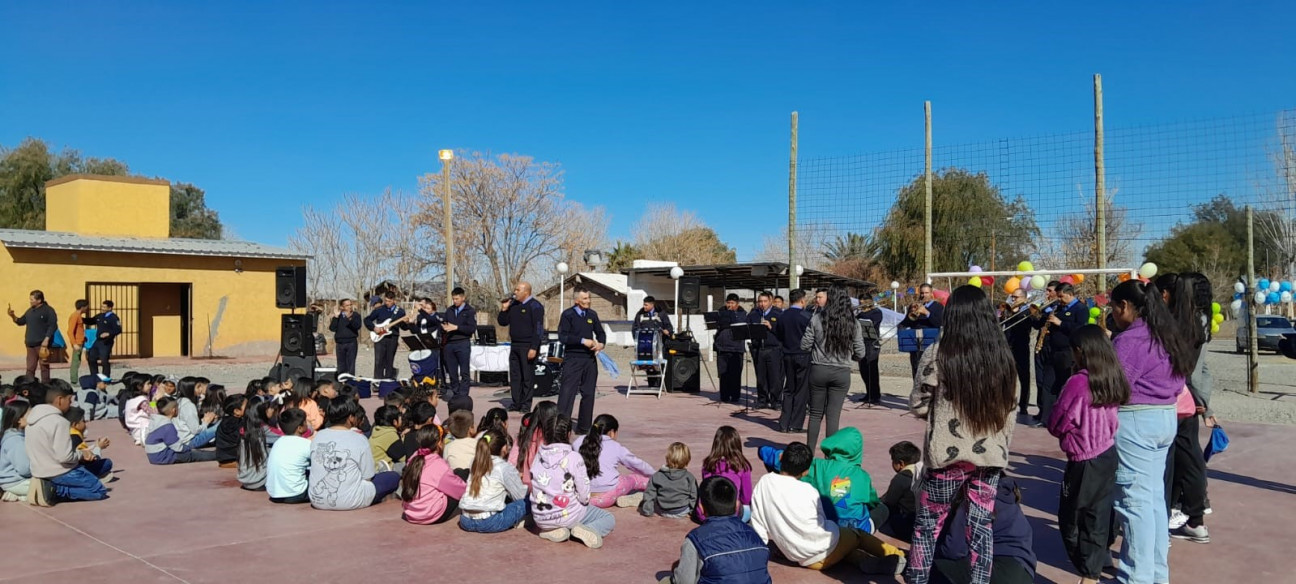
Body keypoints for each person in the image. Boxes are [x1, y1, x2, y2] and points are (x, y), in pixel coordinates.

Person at [907, 285, 1018, 584]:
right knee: (981, 526)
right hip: (990, 455)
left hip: (947, 455)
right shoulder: (1003, 356)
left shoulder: (938, 353)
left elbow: (918, 403)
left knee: (928, 524)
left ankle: (917, 578)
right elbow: (1013, 406)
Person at [1108, 279, 1195, 584]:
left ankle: (1136, 577)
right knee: (1154, 500)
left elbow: (1115, 386)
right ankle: (1156, 574)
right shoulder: (1167, 335)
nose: (1113, 314)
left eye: (1113, 307)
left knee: (1134, 503)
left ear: (1125, 306)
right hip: (1164, 417)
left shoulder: (1130, 340)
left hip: (1135, 421)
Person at [751, 443, 905, 576]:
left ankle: (865, 561)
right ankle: (899, 556)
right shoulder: (807, 490)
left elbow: (757, 522)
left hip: (798, 556)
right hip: (822, 549)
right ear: (805, 472)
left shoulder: (763, 483)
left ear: (781, 458)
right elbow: (822, 522)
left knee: (843, 548)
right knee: (858, 535)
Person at [1048, 324, 1125, 584]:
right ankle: (1098, 559)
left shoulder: (1079, 382)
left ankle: (1087, 569)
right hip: (1108, 452)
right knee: (1099, 513)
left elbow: (1058, 421)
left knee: (1072, 517)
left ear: (1079, 351)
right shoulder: (1111, 375)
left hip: (1083, 458)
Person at [1157, 272, 1215, 544]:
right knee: (1188, 456)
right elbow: (1201, 368)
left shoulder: (1177, 322)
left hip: (1175, 396)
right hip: (1189, 397)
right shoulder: (1201, 320)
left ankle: (1173, 515)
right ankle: (1194, 517)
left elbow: (1187, 368)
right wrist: (1204, 400)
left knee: (1171, 459)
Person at [661, 476, 772, 584]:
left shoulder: (695, 539)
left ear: (701, 507)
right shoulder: (754, 536)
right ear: (737, 505)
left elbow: (684, 581)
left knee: (665, 581)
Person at [930, 476, 1036, 584]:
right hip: (1024, 572)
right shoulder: (1007, 496)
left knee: (929, 567)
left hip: (999, 571)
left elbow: (953, 550)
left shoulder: (974, 497)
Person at [530, 414, 615, 548]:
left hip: (541, 519)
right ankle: (584, 529)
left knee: (562, 512)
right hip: (569, 516)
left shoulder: (538, 457)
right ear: (569, 434)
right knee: (608, 518)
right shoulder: (574, 457)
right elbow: (584, 494)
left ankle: (552, 530)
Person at [802, 286, 867, 452]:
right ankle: (830, 456)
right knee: (833, 416)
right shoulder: (853, 322)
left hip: (819, 369)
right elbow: (860, 351)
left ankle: (808, 453)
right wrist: (850, 358)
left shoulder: (817, 318)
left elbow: (804, 345)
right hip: (841, 372)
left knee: (815, 414)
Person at [310, 396, 401, 510]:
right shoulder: (359, 439)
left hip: (317, 500)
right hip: (350, 501)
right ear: (351, 418)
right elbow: (367, 477)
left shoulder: (318, 436)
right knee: (393, 477)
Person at [26, 384, 112, 505]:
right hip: (59, 472)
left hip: (39, 470)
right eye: (69, 400)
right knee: (99, 490)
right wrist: (82, 454)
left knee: (104, 465)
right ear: (60, 400)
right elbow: (65, 457)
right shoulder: (59, 422)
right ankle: (54, 490)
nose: (70, 403)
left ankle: (47, 485)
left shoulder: (31, 419)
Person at [573, 414, 655, 508]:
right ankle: (656, 486)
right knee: (635, 479)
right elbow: (637, 464)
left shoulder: (578, 441)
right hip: (607, 496)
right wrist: (655, 474)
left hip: (581, 497)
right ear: (612, 432)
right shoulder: (616, 447)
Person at [459, 428, 528, 533]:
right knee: (529, 501)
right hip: (489, 522)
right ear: (504, 448)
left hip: (465, 520)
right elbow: (520, 496)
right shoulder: (504, 467)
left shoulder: (475, 462)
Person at [557, 287, 606, 433]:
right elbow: (563, 337)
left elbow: (600, 333)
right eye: (585, 299)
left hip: (589, 360)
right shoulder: (568, 315)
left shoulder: (592, 314)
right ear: (577, 300)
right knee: (567, 393)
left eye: (589, 298)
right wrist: (582, 341)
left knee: (589, 393)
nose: (588, 301)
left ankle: (584, 427)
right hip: (573, 358)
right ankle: (561, 426)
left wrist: (601, 344)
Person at [1039, 283, 1088, 426]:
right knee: (1048, 384)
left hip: (1068, 352)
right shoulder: (1058, 308)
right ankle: (1046, 418)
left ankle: (1064, 418)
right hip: (1053, 351)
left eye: (1061, 296)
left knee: (1065, 385)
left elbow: (1079, 329)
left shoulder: (1081, 309)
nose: (1059, 299)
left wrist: (1060, 323)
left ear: (1070, 294)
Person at [400, 425, 468, 524]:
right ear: (439, 443)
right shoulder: (439, 465)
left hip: (411, 513)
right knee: (463, 474)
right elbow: (461, 491)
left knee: (455, 474)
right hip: (431, 515)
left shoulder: (413, 459)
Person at [497, 282, 545, 412]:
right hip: (515, 345)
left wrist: (534, 347)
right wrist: (504, 309)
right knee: (515, 375)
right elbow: (502, 322)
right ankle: (516, 402)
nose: (515, 292)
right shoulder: (514, 305)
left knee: (527, 376)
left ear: (526, 292)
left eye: (518, 290)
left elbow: (539, 329)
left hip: (528, 346)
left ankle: (525, 404)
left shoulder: (535, 306)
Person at [774, 289, 812, 433]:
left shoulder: (782, 316)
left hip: (787, 354)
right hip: (803, 355)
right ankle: (796, 424)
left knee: (789, 389)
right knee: (801, 391)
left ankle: (784, 423)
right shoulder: (806, 316)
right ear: (802, 300)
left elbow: (778, 334)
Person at [698, 426, 752, 522]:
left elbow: (706, 487)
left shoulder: (707, 464)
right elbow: (746, 497)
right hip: (731, 512)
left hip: (708, 513)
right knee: (749, 509)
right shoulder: (742, 465)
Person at [145, 396, 221, 465]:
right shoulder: (167, 426)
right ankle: (223, 455)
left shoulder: (155, 420)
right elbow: (178, 448)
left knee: (194, 452)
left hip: (153, 455)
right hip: (163, 456)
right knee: (195, 454)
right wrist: (188, 449)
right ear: (173, 410)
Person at [7, 290, 58, 382]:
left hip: (42, 344)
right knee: (30, 367)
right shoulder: (30, 311)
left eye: (32, 299)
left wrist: (46, 339)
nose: (30, 301)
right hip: (30, 344)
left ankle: (45, 386)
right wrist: (12, 316)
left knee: (44, 367)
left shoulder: (48, 310)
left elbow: (53, 325)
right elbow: (21, 321)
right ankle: (29, 385)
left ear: (39, 300)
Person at [1029, 281, 1061, 425]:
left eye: (1050, 291)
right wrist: (1034, 314)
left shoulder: (1060, 307)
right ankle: (1042, 410)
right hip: (1040, 345)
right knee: (1040, 379)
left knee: (1050, 382)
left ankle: (1051, 413)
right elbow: (1036, 325)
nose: (1047, 294)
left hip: (1052, 347)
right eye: (1046, 291)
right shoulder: (1045, 307)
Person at [640, 442, 697, 518]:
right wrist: (692, 512)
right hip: (682, 511)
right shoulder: (689, 477)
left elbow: (650, 494)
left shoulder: (657, 475)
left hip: (663, 511)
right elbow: (694, 496)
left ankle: (639, 500)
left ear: (667, 458)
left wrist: (648, 511)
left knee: (652, 498)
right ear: (687, 459)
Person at [266, 408, 311, 504]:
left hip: (274, 494)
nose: (308, 424)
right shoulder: (306, 444)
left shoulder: (278, 442)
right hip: (296, 494)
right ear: (299, 428)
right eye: (306, 422)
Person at [880, 441, 922, 542]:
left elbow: (889, 502)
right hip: (924, 523)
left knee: (881, 515)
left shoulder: (901, 478)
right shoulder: (923, 472)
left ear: (901, 463)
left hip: (908, 525)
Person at [748, 291, 783, 409]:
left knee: (775, 377)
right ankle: (762, 399)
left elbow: (783, 333)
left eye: (765, 301)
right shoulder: (753, 314)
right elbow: (747, 329)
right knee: (761, 376)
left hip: (774, 349)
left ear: (770, 301)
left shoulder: (778, 314)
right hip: (759, 349)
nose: (762, 304)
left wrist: (770, 327)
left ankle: (776, 401)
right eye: (760, 301)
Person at [441, 287, 478, 398]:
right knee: (452, 372)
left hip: (463, 343)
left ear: (463, 298)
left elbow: (471, 328)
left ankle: (463, 395)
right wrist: (444, 327)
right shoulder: (449, 310)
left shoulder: (470, 311)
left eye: (457, 299)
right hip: (449, 344)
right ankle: (456, 393)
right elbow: (444, 323)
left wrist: (456, 327)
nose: (455, 301)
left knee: (464, 372)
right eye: (453, 299)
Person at [900, 283, 944, 378]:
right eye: (922, 293)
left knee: (929, 370)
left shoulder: (938, 306)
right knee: (915, 368)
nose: (924, 295)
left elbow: (939, 322)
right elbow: (905, 323)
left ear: (931, 293)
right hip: (915, 343)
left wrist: (927, 312)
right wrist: (910, 313)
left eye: (926, 293)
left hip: (930, 343)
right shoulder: (914, 306)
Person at [1001, 288, 1033, 416]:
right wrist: (1004, 313)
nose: (1013, 299)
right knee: (1007, 376)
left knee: (1024, 377)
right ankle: (1007, 402)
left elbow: (1033, 324)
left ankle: (1023, 405)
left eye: (1016, 297)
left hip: (1021, 347)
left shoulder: (1028, 310)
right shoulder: (1007, 310)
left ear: (1024, 298)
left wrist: (1018, 312)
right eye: (1012, 297)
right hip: (1008, 346)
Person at [364, 292, 407, 380]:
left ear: (394, 301)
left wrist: (408, 322)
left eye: (389, 301)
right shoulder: (380, 309)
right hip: (380, 338)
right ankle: (377, 381)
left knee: (389, 360)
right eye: (386, 301)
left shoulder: (400, 312)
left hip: (392, 338)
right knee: (378, 360)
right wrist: (373, 328)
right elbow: (367, 320)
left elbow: (404, 327)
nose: (387, 303)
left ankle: (388, 381)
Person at [714, 294, 748, 404]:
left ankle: (735, 396)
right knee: (723, 373)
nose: (730, 305)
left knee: (735, 374)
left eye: (732, 303)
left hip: (736, 348)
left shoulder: (742, 314)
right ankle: (724, 396)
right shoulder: (720, 312)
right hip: (722, 348)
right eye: (728, 303)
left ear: (737, 304)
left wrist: (731, 315)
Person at [237, 402, 277, 490]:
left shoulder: (244, 429)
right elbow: (288, 434)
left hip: (245, 480)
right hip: (260, 480)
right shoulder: (264, 430)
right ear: (263, 412)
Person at [0, 400, 32, 502]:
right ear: (19, 419)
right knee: (54, 487)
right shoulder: (16, 440)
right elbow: (24, 469)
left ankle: (19, 496)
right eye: (30, 414)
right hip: (16, 482)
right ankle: (19, 495)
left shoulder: (14, 436)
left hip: (12, 481)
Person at [856, 293, 884, 407]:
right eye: (860, 301)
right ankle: (868, 394)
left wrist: (863, 312)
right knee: (863, 369)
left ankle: (875, 395)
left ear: (869, 301)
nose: (861, 303)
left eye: (863, 301)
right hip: (862, 343)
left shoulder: (876, 312)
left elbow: (873, 322)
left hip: (872, 343)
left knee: (872, 369)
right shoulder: (858, 314)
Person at [175, 377, 218, 449]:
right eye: (198, 387)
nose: (200, 389)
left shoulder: (179, 401)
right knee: (221, 424)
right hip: (191, 441)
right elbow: (195, 430)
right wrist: (206, 421)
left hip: (181, 440)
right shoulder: (188, 405)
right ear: (189, 389)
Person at [87, 300, 121, 379]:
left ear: (109, 308)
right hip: (98, 341)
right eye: (102, 306)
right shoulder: (100, 316)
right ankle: (94, 376)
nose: (102, 308)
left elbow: (118, 329)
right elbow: (91, 321)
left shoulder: (113, 317)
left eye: (104, 307)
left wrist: (109, 333)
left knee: (104, 359)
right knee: (91, 357)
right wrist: (81, 318)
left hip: (106, 342)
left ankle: (105, 377)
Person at [329, 299, 362, 378]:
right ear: (342, 307)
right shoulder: (338, 316)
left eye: (350, 304)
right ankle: (342, 381)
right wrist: (336, 317)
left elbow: (357, 326)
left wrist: (350, 319)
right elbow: (332, 328)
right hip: (340, 343)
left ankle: (350, 382)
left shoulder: (355, 315)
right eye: (347, 305)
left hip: (351, 343)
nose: (350, 307)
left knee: (350, 364)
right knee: (341, 364)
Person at [369, 405, 403, 471]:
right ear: (395, 422)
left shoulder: (378, 430)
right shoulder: (390, 435)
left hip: (374, 467)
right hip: (382, 470)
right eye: (400, 417)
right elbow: (403, 457)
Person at [67, 300, 89, 384]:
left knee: (78, 361)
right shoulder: (75, 316)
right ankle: (74, 380)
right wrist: (74, 343)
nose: (87, 308)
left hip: (80, 341)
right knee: (75, 362)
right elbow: (70, 331)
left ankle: (74, 380)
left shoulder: (78, 316)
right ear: (83, 307)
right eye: (86, 306)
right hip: (77, 343)